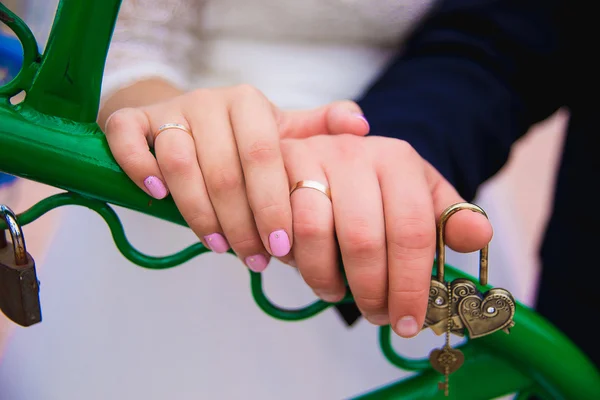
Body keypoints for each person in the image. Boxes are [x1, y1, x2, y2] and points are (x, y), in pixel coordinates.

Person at [101, 0, 598, 370]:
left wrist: (385, 159)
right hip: (205, 168)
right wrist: (171, 124)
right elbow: (502, 40)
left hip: (400, 181)